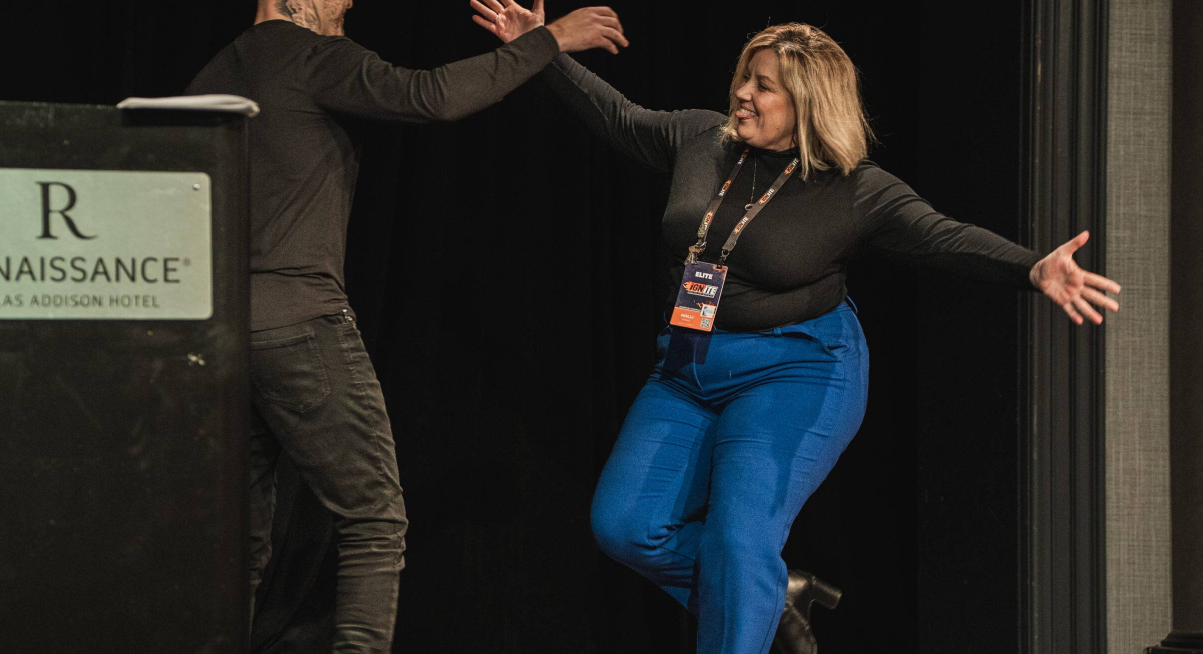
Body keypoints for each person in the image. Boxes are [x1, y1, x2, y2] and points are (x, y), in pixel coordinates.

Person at [471, 3, 1121, 653]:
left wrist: (1033, 269)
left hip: (797, 368)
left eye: (763, 85)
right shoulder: (702, 138)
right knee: (625, 526)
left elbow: (941, 236)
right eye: (744, 78)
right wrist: (541, 48)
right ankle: (767, 589)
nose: (743, 94)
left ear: (809, 102)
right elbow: (615, 114)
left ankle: (749, 597)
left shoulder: (855, 191)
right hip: (688, 364)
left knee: (739, 538)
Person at [185, 1, 628, 651]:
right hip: (302, 324)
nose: (346, 10)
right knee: (373, 521)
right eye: (335, 2)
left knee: (241, 545)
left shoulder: (211, 78)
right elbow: (433, 96)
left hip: (219, 333)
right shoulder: (312, 57)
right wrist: (550, 40)